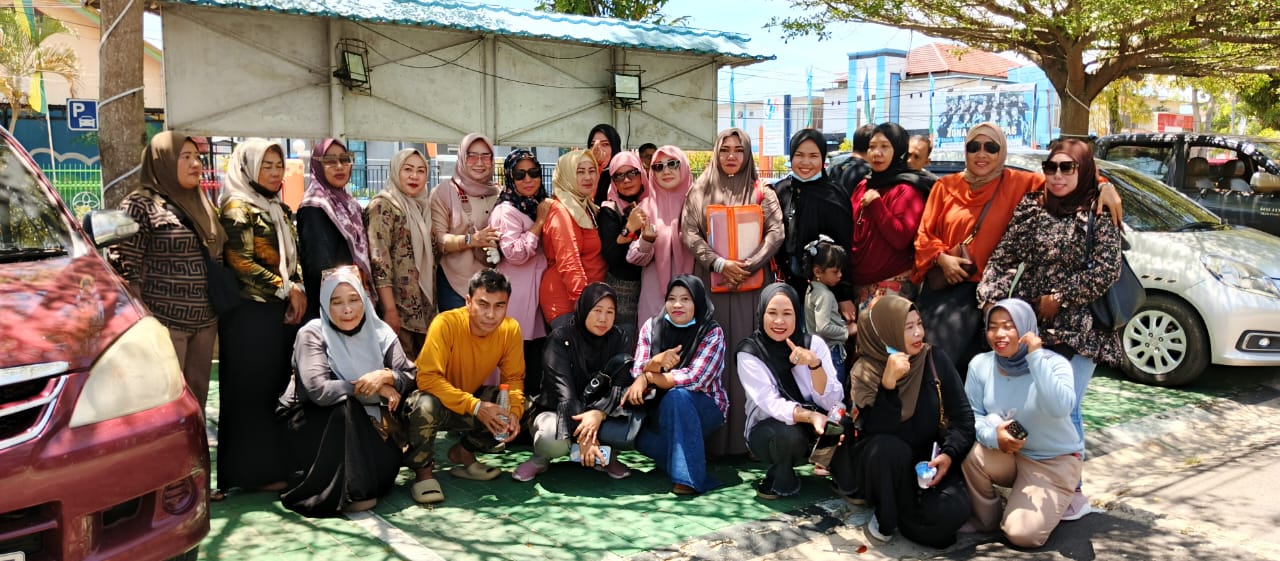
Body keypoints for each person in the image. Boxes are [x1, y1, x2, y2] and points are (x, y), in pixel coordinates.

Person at [976, 139, 1123, 518]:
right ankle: (1038, 479)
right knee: (1040, 405)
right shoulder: (1033, 206)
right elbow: (1004, 256)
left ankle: (1074, 490)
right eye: (1051, 167)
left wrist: (1061, 296)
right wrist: (991, 299)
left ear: (1083, 170)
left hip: (1080, 327)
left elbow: (1107, 269)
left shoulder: (1098, 210)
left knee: (1065, 405)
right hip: (1032, 323)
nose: (1057, 175)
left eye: (1067, 167)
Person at [913, 122, 1123, 372]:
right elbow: (924, 234)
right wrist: (941, 258)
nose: (981, 153)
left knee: (973, 371)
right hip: (949, 292)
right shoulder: (945, 186)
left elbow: (1069, 177)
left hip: (986, 300)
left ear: (1001, 152)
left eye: (991, 147)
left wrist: (1104, 185)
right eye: (974, 147)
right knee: (933, 362)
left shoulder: (1018, 183)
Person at [832, 295, 975, 548]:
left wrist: (949, 455)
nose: (918, 333)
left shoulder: (934, 359)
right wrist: (888, 384)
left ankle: (904, 513)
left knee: (952, 513)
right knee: (888, 448)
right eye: (907, 327)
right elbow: (877, 430)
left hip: (926, 462)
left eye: (919, 324)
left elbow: (963, 419)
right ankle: (886, 513)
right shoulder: (865, 371)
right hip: (882, 465)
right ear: (886, 331)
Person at [277, 266, 417, 516]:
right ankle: (340, 493)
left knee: (415, 407)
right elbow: (319, 391)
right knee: (344, 407)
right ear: (325, 304)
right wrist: (372, 388)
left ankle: (366, 482)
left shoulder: (380, 331)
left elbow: (410, 375)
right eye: (337, 302)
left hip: (367, 422)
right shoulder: (312, 333)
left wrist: (386, 376)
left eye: (353, 300)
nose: (347, 310)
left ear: (364, 299)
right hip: (313, 422)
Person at [680, 128, 785, 456]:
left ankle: (752, 439)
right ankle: (712, 440)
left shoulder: (762, 192)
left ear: (747, 154)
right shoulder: (700, 190)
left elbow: (776, 232)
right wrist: (719, 263)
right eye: (725, 149)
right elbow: (689, 232)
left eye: (739, 150)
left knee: (751, 357)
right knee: (712, 357)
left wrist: (749, 265)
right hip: (712, 285)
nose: (731, 156)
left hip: (751, 289)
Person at [215, 138, 305, 499]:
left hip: (278, 313)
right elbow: (240, 264)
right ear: (248, 167)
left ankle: (275, 466)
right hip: (249, 316)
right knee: (250, 394)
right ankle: (249, 473)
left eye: (278, 165)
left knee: (275, 390)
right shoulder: (238, 208)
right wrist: (286, 289)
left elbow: (293, 257)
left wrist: (297, 287)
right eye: (266, 165)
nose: (274, 172)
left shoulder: (278, 208)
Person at [110, 131, 226, 408]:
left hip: (205, 321)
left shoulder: (202, 202)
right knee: (165, 400)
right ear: (163, 161)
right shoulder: (139, 205)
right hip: (164, 323)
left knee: (196, 398)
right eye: (185, 157)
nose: (195, 164)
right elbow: (124, 264)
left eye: (197, 157)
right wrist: (144, 322)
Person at [962, 299, 1080, 547]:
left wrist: (1035, 357)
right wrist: (995, 437)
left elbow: (1060, 408)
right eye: (992, 327)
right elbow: (973, 416)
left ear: (1026, 328)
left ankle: (1055, 497)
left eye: (1008, 326)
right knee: (973, 455)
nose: (999, 334)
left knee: (1022, 535)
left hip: (1052, 462)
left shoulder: (1055, 364)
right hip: (1010, 456)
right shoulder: (980, 364)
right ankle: (986, 520)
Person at [404, 269, 525, 504]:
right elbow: (427, 378)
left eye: (499, 306)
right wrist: (477, 407)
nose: (491, 314)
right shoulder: (446, 323)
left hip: (468, 402)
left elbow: (514, 379)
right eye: (483, 304)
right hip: (429, 401)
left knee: (520, 407)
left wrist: (515, 413)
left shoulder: (510, 329)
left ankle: (465, 454)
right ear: (468, 301)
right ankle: (424, 473)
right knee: (425, 405)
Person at [513, 283, 636, 482]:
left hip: (600, 413)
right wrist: (585, 437)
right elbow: (565, 393)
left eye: (610, 312)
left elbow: (620, 385)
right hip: (556, 410)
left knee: (627, 426)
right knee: (550, 438)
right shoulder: (560, 339)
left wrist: (599, 413)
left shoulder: (619, 338)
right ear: (584, 308)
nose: (603, 318)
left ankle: (606, 457)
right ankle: (540, 459)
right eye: (597, 310)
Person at [624, 275, 728, 494]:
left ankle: (687, 479)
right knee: (642, 440)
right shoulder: (652, 326)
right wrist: (655, 363)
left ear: (697, 302)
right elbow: (637, 370)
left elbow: (696, 379)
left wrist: (649, 377)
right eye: (671, 299)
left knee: (677, 396)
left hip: (705, 407)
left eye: (685, 299)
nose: (677, 305)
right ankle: (681, 459)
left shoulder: (711, 331)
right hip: (658, 410)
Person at [738, 283, 844, 499]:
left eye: (787, 313)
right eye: (772, 313)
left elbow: (833, 400)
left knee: (843, 418)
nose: (779, 321)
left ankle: (834, 468)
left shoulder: (813, 344)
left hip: (815, 424)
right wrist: (811, 416)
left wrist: (814, 365)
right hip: (768, 428)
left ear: (797, 315)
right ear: (761, 314)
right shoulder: (749, 352)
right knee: (787, 434)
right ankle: (780, 475)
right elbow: (771, 403)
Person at [771, 129, 855, 321]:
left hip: (825, 293)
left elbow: (845, 248)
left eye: (813, 156)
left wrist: (844, 295)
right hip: (786, 290)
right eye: (799, 155)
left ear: (823, 158)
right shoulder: (781, 190)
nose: (806, 162)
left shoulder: (834, 196)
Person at [849, 122, 933, 310]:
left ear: (899, 151)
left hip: (890, 289)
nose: (876, 153)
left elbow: (900, 238)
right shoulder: (863, 185)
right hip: (857, 287)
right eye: (872, 147)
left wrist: (877, 205)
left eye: (885, 147)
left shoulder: (907, 190)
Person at [491, 149, 553, 400]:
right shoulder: (507, 210)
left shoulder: (538, 204)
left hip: (536, 296)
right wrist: (539, 223)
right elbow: (515, 253)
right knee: (514, 359)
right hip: (516, 296)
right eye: (520, 174)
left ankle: (527, 411)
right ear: (510, 177)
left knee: (534, 359)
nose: (528, 179)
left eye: (534, 172)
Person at [366, 148, 435, 357]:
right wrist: (390, 310)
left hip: (425, 309)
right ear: (396, 171)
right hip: (398, 309)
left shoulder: (424, 208)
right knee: (401, 368)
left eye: (421, 171)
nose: (414, 176)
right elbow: (379, 260)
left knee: (426, 370)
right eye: (408, 169)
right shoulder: (383, 206)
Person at [298, 138, 373, 322]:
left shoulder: (349, 204)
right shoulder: (314, 206)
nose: (339, 166)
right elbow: (319, 266)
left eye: (345, 159)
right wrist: (340, 304)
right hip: (334, 307)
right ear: (317, 165)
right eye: (330, 161)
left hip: (352, 301)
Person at [431, 133, 501, 312]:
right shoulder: (445, 192)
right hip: (454, 285)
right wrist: (471, 240)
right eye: (472, 156)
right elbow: (439, 241)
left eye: (486, 156)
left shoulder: (499, 193)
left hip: (492, 285)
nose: (479, 162)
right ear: (462, 157)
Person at [628, 145, 695, 328]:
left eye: (672, 164)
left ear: (683, 166)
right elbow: (634, 258)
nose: (666, 171)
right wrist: (646, 241)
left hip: (693, 293)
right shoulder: (645, 207)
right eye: (658, 167)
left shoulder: (698, 204)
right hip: (654, 295)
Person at [540, 150, 606, 324]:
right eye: (580, 172)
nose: (588, 177)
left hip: (587, 299)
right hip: (568, 305)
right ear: (568, 175)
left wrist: (600, 165)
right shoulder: (562, 211)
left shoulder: (582, 204)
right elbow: (569, 261)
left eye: (592, 171)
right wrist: (584, 303)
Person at [598, 151, 650, 339]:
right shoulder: (609, 210)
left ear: (642, 175)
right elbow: (612, 257)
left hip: (652, 286)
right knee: (624, 343)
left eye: (632, 173)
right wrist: (629, 228)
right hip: (623, 293)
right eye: (618, 176)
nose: (626, 180)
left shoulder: (653, 205)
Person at [803, 237, 854, 384]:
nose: (840, 275)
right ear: (818, 272)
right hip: (830, 353)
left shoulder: (812, 289)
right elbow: (823, 327)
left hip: (818, 352)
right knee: (835, 393)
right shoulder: (825, 295)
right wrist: (846, 331)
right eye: (835, 271)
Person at [588, 123, 621, 206]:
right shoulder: (583, 176)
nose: (597, 149)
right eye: (592, 145)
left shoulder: (623, 176)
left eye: (605, 144)